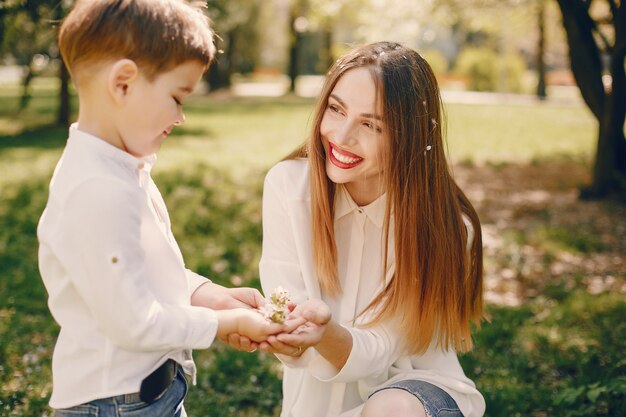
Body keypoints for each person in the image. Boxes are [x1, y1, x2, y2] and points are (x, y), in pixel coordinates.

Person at [37, 1, 300, 416]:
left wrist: (211, 297)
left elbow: (146, 271)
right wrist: (225, 325)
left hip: (151, 396)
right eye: (177, 97)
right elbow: (134, 322)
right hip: (115, 407)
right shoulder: (97, 189)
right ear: (123, 83)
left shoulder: (121, 167)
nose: (180, 117)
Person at [229, 41, 486, 417]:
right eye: (336, 109)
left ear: (409, 138)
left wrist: (325, 333)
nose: (342, 136)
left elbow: (382, 349)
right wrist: (286, 334)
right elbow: (287, 313)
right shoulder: (288, 188)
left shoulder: (445, 228)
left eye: (371, 124)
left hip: (415, 399)